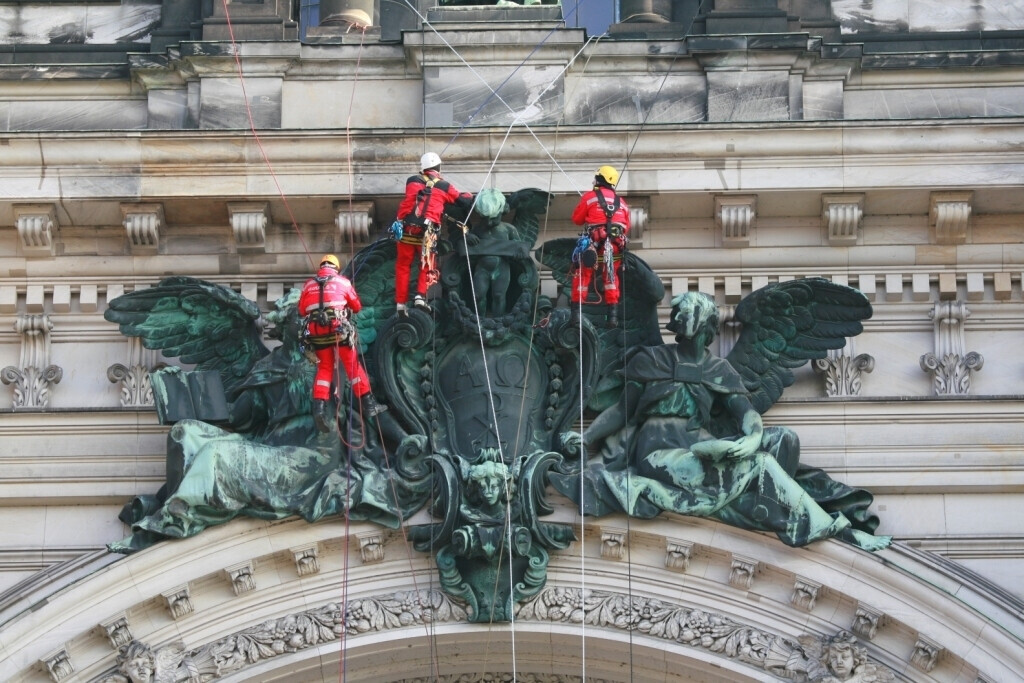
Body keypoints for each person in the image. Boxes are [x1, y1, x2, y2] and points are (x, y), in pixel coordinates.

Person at [299, 254, 382, 433]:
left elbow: (301, 309)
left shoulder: (308, 284)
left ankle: (319, 408)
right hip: (338, 329)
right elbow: (357, 306)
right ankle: (369, 404)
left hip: (316, 332)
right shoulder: (343, 282)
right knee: (352, 365)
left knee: (325, 368)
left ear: (321, 266)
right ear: (335, 268)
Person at [391, 152, 472, 315]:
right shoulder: (444, 186)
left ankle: (401, 303)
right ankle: (420, 296)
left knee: (403, 266)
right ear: (439, 168)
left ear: (423, 167)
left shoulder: (412, 181)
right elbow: (462, 201)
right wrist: (469, 195)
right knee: (426, 264)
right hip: (426, 233)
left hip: (406, 229)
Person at [570, 165, 630, 327]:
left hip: (593, 244)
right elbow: (627, 226)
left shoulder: (589, 197)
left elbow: (577, 219)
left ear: (599, 179)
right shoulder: (622, 202)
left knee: (582, 275)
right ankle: (613, 316)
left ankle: (576, 314)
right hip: (616, 246)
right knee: (611, 277)